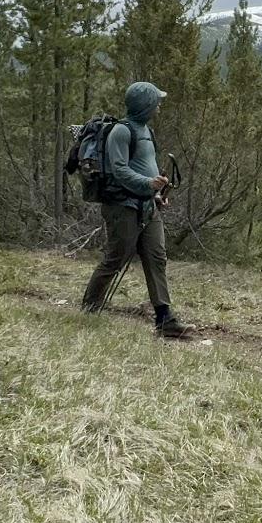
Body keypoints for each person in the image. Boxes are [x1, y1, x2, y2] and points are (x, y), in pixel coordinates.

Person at [81, 80, 190, 338]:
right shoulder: (121, 132)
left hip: (146, 205)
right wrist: (148, 183)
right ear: (146, 105)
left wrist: (155, 194)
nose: (159, 107)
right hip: (122, 207)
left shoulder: (147, 131)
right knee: (116, 258)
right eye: (156, 102)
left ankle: (165, 319)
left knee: (156, 258)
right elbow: (119, 170)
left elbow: (143, 166)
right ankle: (90, 306)